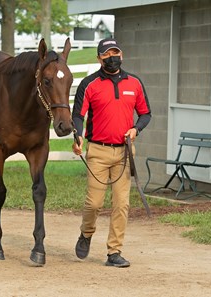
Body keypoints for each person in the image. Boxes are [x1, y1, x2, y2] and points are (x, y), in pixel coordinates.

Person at [71, 37, 152, 268]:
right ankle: (86, 233)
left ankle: (114, 252)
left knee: (121, 204)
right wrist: (77, 135)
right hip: (97, 151)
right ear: (99, 58)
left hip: (124, 153)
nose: (112, 58)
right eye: (106, 54)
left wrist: (136, 129)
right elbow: (78, 115)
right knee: (94, 204)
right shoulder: (89, 84)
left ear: (122, 55)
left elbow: (146, 114)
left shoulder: (134, 83)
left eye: (115, 53)